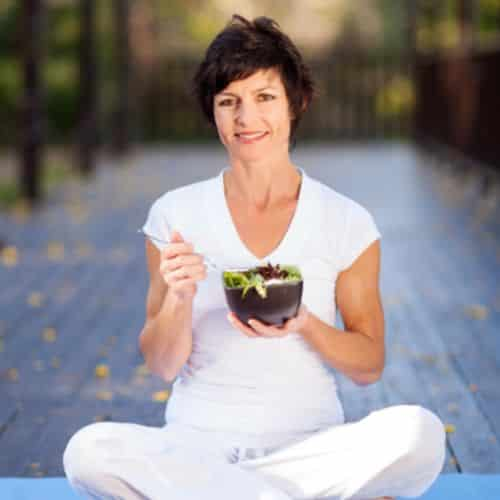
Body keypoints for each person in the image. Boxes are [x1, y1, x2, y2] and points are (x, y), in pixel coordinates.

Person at [63, 14, 446, 500]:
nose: (246, 119)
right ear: (213, 112)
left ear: (296, 102)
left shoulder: (346, 221)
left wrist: (305, 323)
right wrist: (179, 297)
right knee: (87, 451)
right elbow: (161, 365)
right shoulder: (174, 215)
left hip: (309, 447)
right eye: (229, 102)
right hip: (196, 448)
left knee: (420, 433)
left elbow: (369, 365)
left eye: (264, 97)